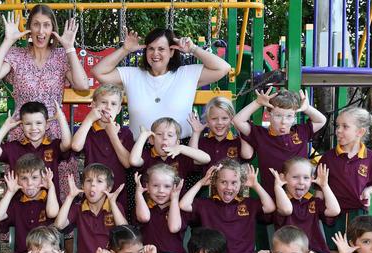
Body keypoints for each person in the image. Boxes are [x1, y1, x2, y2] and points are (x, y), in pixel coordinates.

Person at [0, 5, 88, 198]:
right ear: (29, 28)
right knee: (24, 189)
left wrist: (70, 48)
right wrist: (7, 41)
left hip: (53, 132)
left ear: (52, 28)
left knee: (56, 189)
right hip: (23, 131)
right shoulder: (16, 55)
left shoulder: (60, 57)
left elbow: (82, 85)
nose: (41, 31)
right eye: (36, 25)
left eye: (46, 25)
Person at [92, 28, 231, 138]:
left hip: (180, 150)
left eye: (161, 49)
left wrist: (193, 49)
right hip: (141, 151)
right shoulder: (132, 74)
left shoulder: (187, 73)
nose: (155, 54)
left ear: (171, 52)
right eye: (151, 48)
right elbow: (99, 72)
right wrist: (125, 50)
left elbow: (223, 68)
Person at [171, 159, 275, 253]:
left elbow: (270, 207)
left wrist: (255, 185)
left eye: (234, 182)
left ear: (241, 183)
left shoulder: (248, 204)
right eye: (223, 182)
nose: (228, 187)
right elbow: (183, 205)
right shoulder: (206, 204)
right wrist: (201, 182)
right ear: (215, 182)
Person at [231, 88, 327, 198]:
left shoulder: (301, 132)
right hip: (272, 198)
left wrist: (308, 108)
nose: (284, 122)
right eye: (278, 116)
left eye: (289, 116)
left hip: (300, 199)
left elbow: (321, 120)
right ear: (268, 114)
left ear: (294, 117)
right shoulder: (261, 135)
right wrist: (257, 103)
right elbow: (237, 120)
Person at [319, 107, 372, 253]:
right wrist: (321, 210)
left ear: (360, 132)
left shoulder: (370, 158)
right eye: (337, 126)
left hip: (358, 214)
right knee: (334, 252)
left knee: (358, 252)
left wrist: (368, 191)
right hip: (333, 216)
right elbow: (319, 189)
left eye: (345, 126)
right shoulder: (328, 158)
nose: (338, 130)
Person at [0, 154, 59, 253]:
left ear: (42, 178)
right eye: (24, 178)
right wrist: (10, 192)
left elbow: (52, 213)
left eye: (34, 178)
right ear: (17, 181)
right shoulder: (16, 204)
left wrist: (50, 187)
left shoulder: (48, 200)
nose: (29, 184)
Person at [54, 164, 127, 253]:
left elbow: (125, 231)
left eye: (99, 181)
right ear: (83, 186)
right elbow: (59, 225)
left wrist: (112, 203)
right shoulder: (78, 208)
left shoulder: (115, 206)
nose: (93, 184)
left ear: (108, 188)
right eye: (88, 181)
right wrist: (70, 197)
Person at [0, 101, 71, 200]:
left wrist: (61, 119)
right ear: (21, 126)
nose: (33, 128)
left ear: (47, 125)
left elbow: (67, 144)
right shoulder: (14, 147)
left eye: (39, 123)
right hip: (18, 207)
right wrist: (6, 127)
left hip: (49, 207)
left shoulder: (53, 146)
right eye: (28, 124)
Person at [71, 84, 134, 209]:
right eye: (104, 102)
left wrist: (113, 135)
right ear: (94, 105)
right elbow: (76, 146)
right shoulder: (88, 130)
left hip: (117, 192)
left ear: (119, 109)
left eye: (113, 104)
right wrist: (89, 119)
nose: (108, 107)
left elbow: (127, 163)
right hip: (92, 192)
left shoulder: (125, 133)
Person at [270, 157, 340, 253]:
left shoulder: (313, 202)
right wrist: (278, 186)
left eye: (306, 177)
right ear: (283, 178)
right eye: (295, 177)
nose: (301, 182)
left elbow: (334, 210)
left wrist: (324, 186)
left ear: (312, 179)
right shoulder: (281, 201)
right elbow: (287, 209)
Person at [134, 165, 188, 253]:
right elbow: (144, 217)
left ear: (175, 188)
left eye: (167, 186)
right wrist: (138, 193)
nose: (161, 191)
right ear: (147, 186)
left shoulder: (178, 208)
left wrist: (174, 199)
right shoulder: (145, 208)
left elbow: (173, 227)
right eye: (155, 186)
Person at [188, 96, 254, 174]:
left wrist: (240, 129)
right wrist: (196, 133)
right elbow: (192, 160)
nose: (219, 122)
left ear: (231, 120)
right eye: (214, 118)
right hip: (208, 185)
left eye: (224, 118)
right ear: (207, 121)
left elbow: (248, 155)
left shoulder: (238, 141)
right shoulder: (202, 142)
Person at [129, 118, 210, 181]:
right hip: (148, 202)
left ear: (177, 142)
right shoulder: (147, 155)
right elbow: (134, 161)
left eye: (170, 135)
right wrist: (143, 136)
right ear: (152, 140)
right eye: (159, 134)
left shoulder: (181, 157)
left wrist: (181, 148)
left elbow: (206, 159)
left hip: (177, 202)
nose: (164, 138)